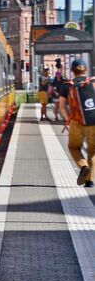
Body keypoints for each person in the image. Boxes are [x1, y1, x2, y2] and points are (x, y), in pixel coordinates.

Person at [61, 58, 95, 187]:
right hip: (94, 121)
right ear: (86, 69)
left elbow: (62, 106)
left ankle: (83, 165)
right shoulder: (93, 82)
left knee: (74, 147)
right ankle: (90, 181)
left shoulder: (67, 84)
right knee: (93, 150)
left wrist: (67, 119)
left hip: (77, 121)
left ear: (72, 71)